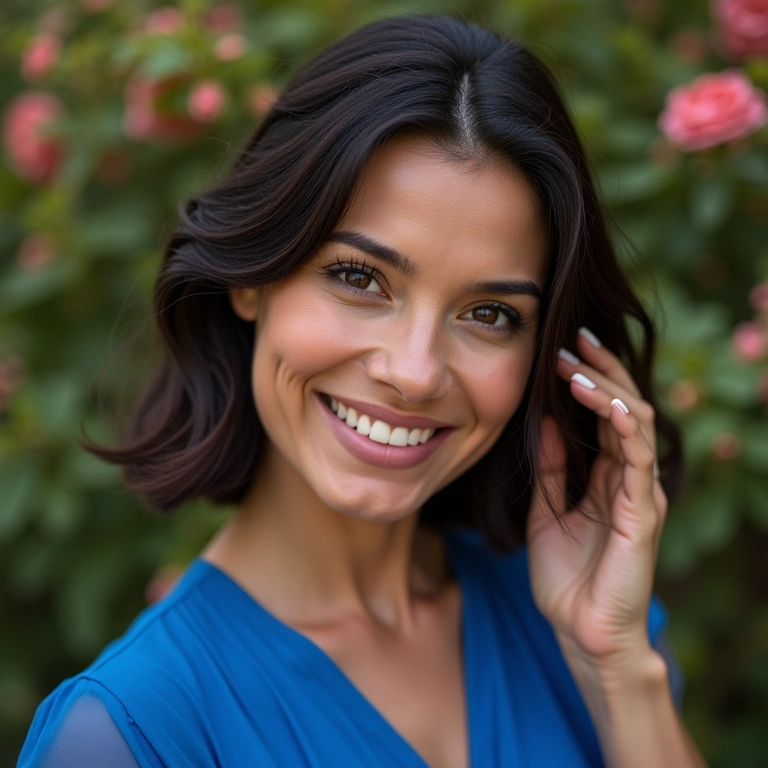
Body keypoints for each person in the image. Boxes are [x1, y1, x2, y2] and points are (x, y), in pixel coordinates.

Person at [18, 14, 705, 768]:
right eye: (359, 278)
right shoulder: (127, 733)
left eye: (489, 314)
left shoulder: (582, 631)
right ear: (254, 277)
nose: (414, 372)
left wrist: (615, 669)